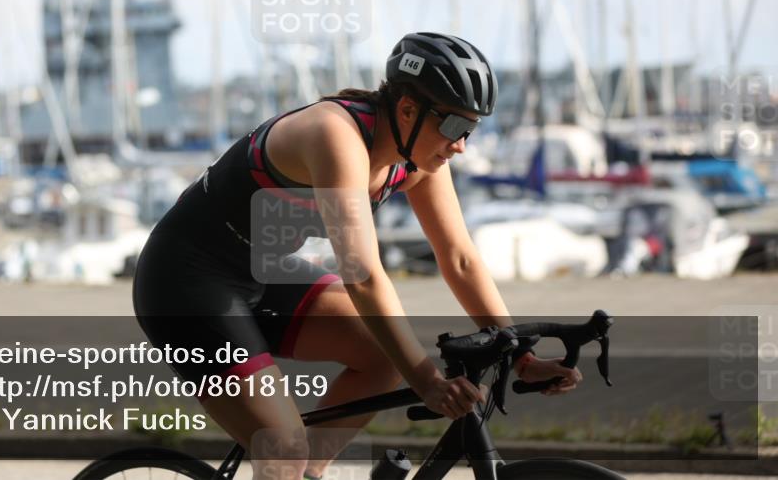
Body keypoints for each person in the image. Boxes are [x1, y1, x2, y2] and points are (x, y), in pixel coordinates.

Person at [133, 32, 582, 480]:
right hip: (184, 283)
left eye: (470, 130)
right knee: (284, 447)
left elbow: (459, 258)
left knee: (382, 358)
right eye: (453, 127)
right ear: (408, 109)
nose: (462, 144)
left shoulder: (416, 159)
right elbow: (363, 276)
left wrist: (520, 355)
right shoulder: (335, 134)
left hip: (258, 272)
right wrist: (427, 381)